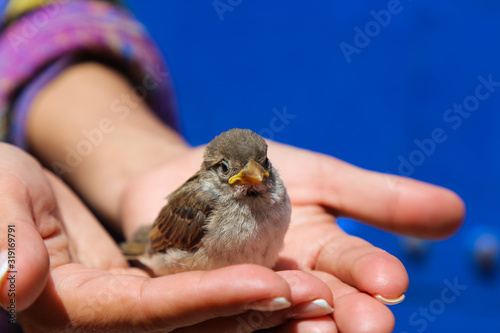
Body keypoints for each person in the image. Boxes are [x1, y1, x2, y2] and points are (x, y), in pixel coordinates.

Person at [0, 1, 465, 332]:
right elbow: (160, 244)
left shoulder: (279, 195)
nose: (252, 176)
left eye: (260, 166)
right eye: (231, 170)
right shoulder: (201, 203)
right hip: (164, 253)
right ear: (212, 171)